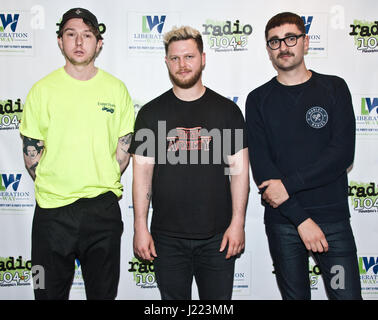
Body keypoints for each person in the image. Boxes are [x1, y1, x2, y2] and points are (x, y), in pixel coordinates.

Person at [19, 8, 134, 300]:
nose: (79, 42)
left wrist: (97, 178)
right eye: (71, 35)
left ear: (99, 43)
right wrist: (57, 185)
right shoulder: (41, 90)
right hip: (51, 213)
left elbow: (123, 152)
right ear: (60, 41)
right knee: (45, 293)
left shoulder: (116, 90)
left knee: (103, 295)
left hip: (102, 211)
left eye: (87, 35)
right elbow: (31, 153)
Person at [245, 12, 362, 300]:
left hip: (332, 224)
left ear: (305, 42)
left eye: (291, 38)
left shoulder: (334, 88)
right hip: (284, 223)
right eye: (274, 41)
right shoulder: (258, 99)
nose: (283, 46)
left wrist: (287, 185)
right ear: (268, 49)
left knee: (345, 296)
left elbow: (342, 155)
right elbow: (262, 167)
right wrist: (300, 220)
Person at [129, 26, 249, 300]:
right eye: (175, 58)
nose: (182, 65)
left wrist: (238, 223)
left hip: (218, 237)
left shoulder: (226, 111)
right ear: (167, 62)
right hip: (167, 239)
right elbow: (142, 175)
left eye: (189, 56)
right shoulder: (151, 113)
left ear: (203, 58)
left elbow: (239, 172)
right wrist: (140, 227)